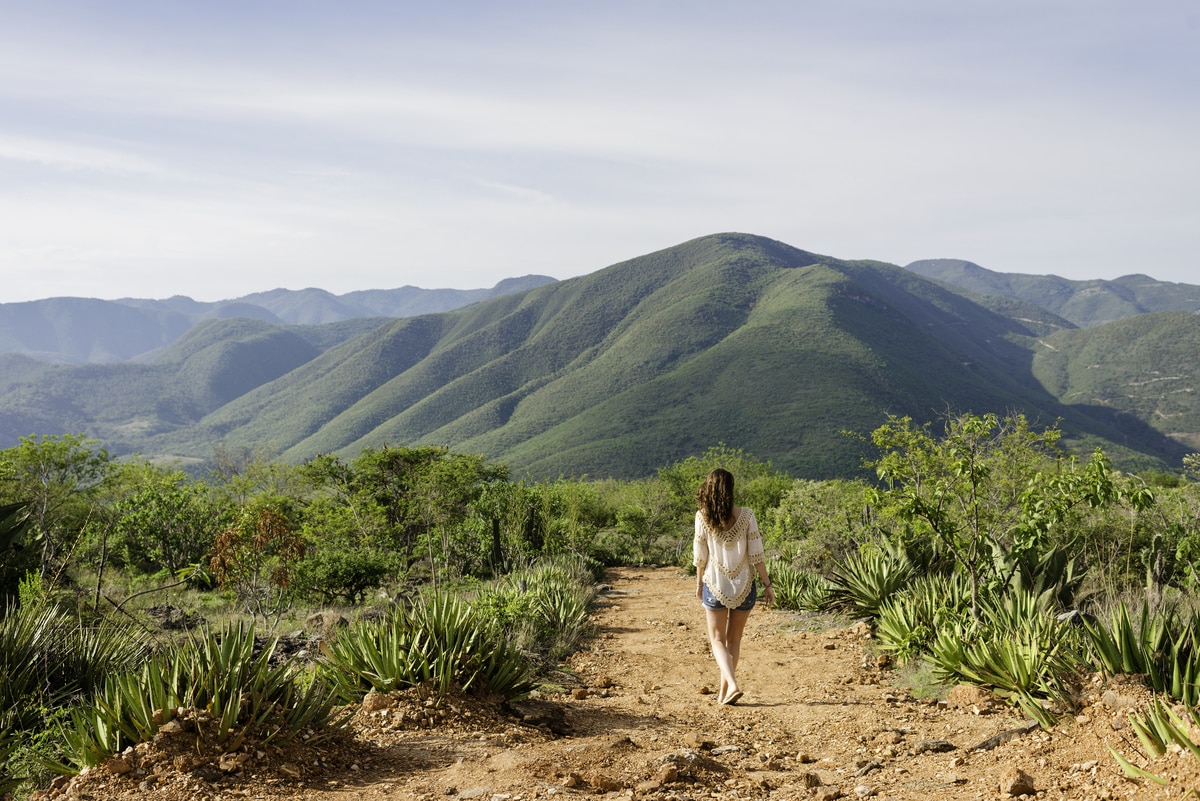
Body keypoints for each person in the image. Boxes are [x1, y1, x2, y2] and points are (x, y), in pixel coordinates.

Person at [692, 468, 774, 706]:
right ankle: (723, 693)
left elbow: (701, 557)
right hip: (745, 586)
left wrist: (699, 584)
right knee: (734, 640)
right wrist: (768, 585)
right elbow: (756, 555)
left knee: (717, 640)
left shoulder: (702, 517)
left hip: (715, 586)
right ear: (731, 489)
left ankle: (733, 686)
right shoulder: (747, 516)